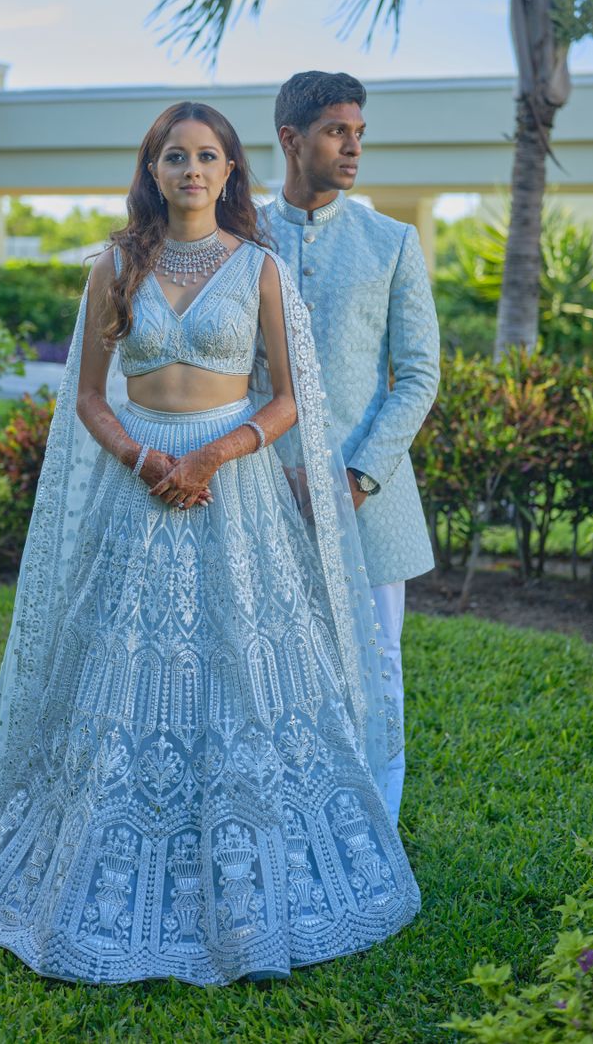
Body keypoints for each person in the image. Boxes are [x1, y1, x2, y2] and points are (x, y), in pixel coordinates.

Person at [0, 101, 420, 986]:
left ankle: (261, 867)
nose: (192, 169)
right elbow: (88, 396)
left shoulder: (264, 269)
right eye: (175, 156)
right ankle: (85, 861)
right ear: (152, 169)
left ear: (232, 171)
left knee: (241, 668)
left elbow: (287, 400)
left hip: (233, 497)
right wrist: (144, 457)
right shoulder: (115, 266)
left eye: (207, 155)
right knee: (117, 674)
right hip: (141, 488)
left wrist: (212, 456)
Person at [258, 72, 441, 827]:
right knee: (269, 667)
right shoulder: (242, 241)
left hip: (371, 500)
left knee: (376, 668)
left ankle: (372, 831)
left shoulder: (391, 242)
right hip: (261, 492)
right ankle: (285, 817)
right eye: (338, 131)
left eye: (360, 132)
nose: (354, 146)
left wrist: (355, 477)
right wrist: (272, 472)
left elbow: (419, 374)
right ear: (291, 140)